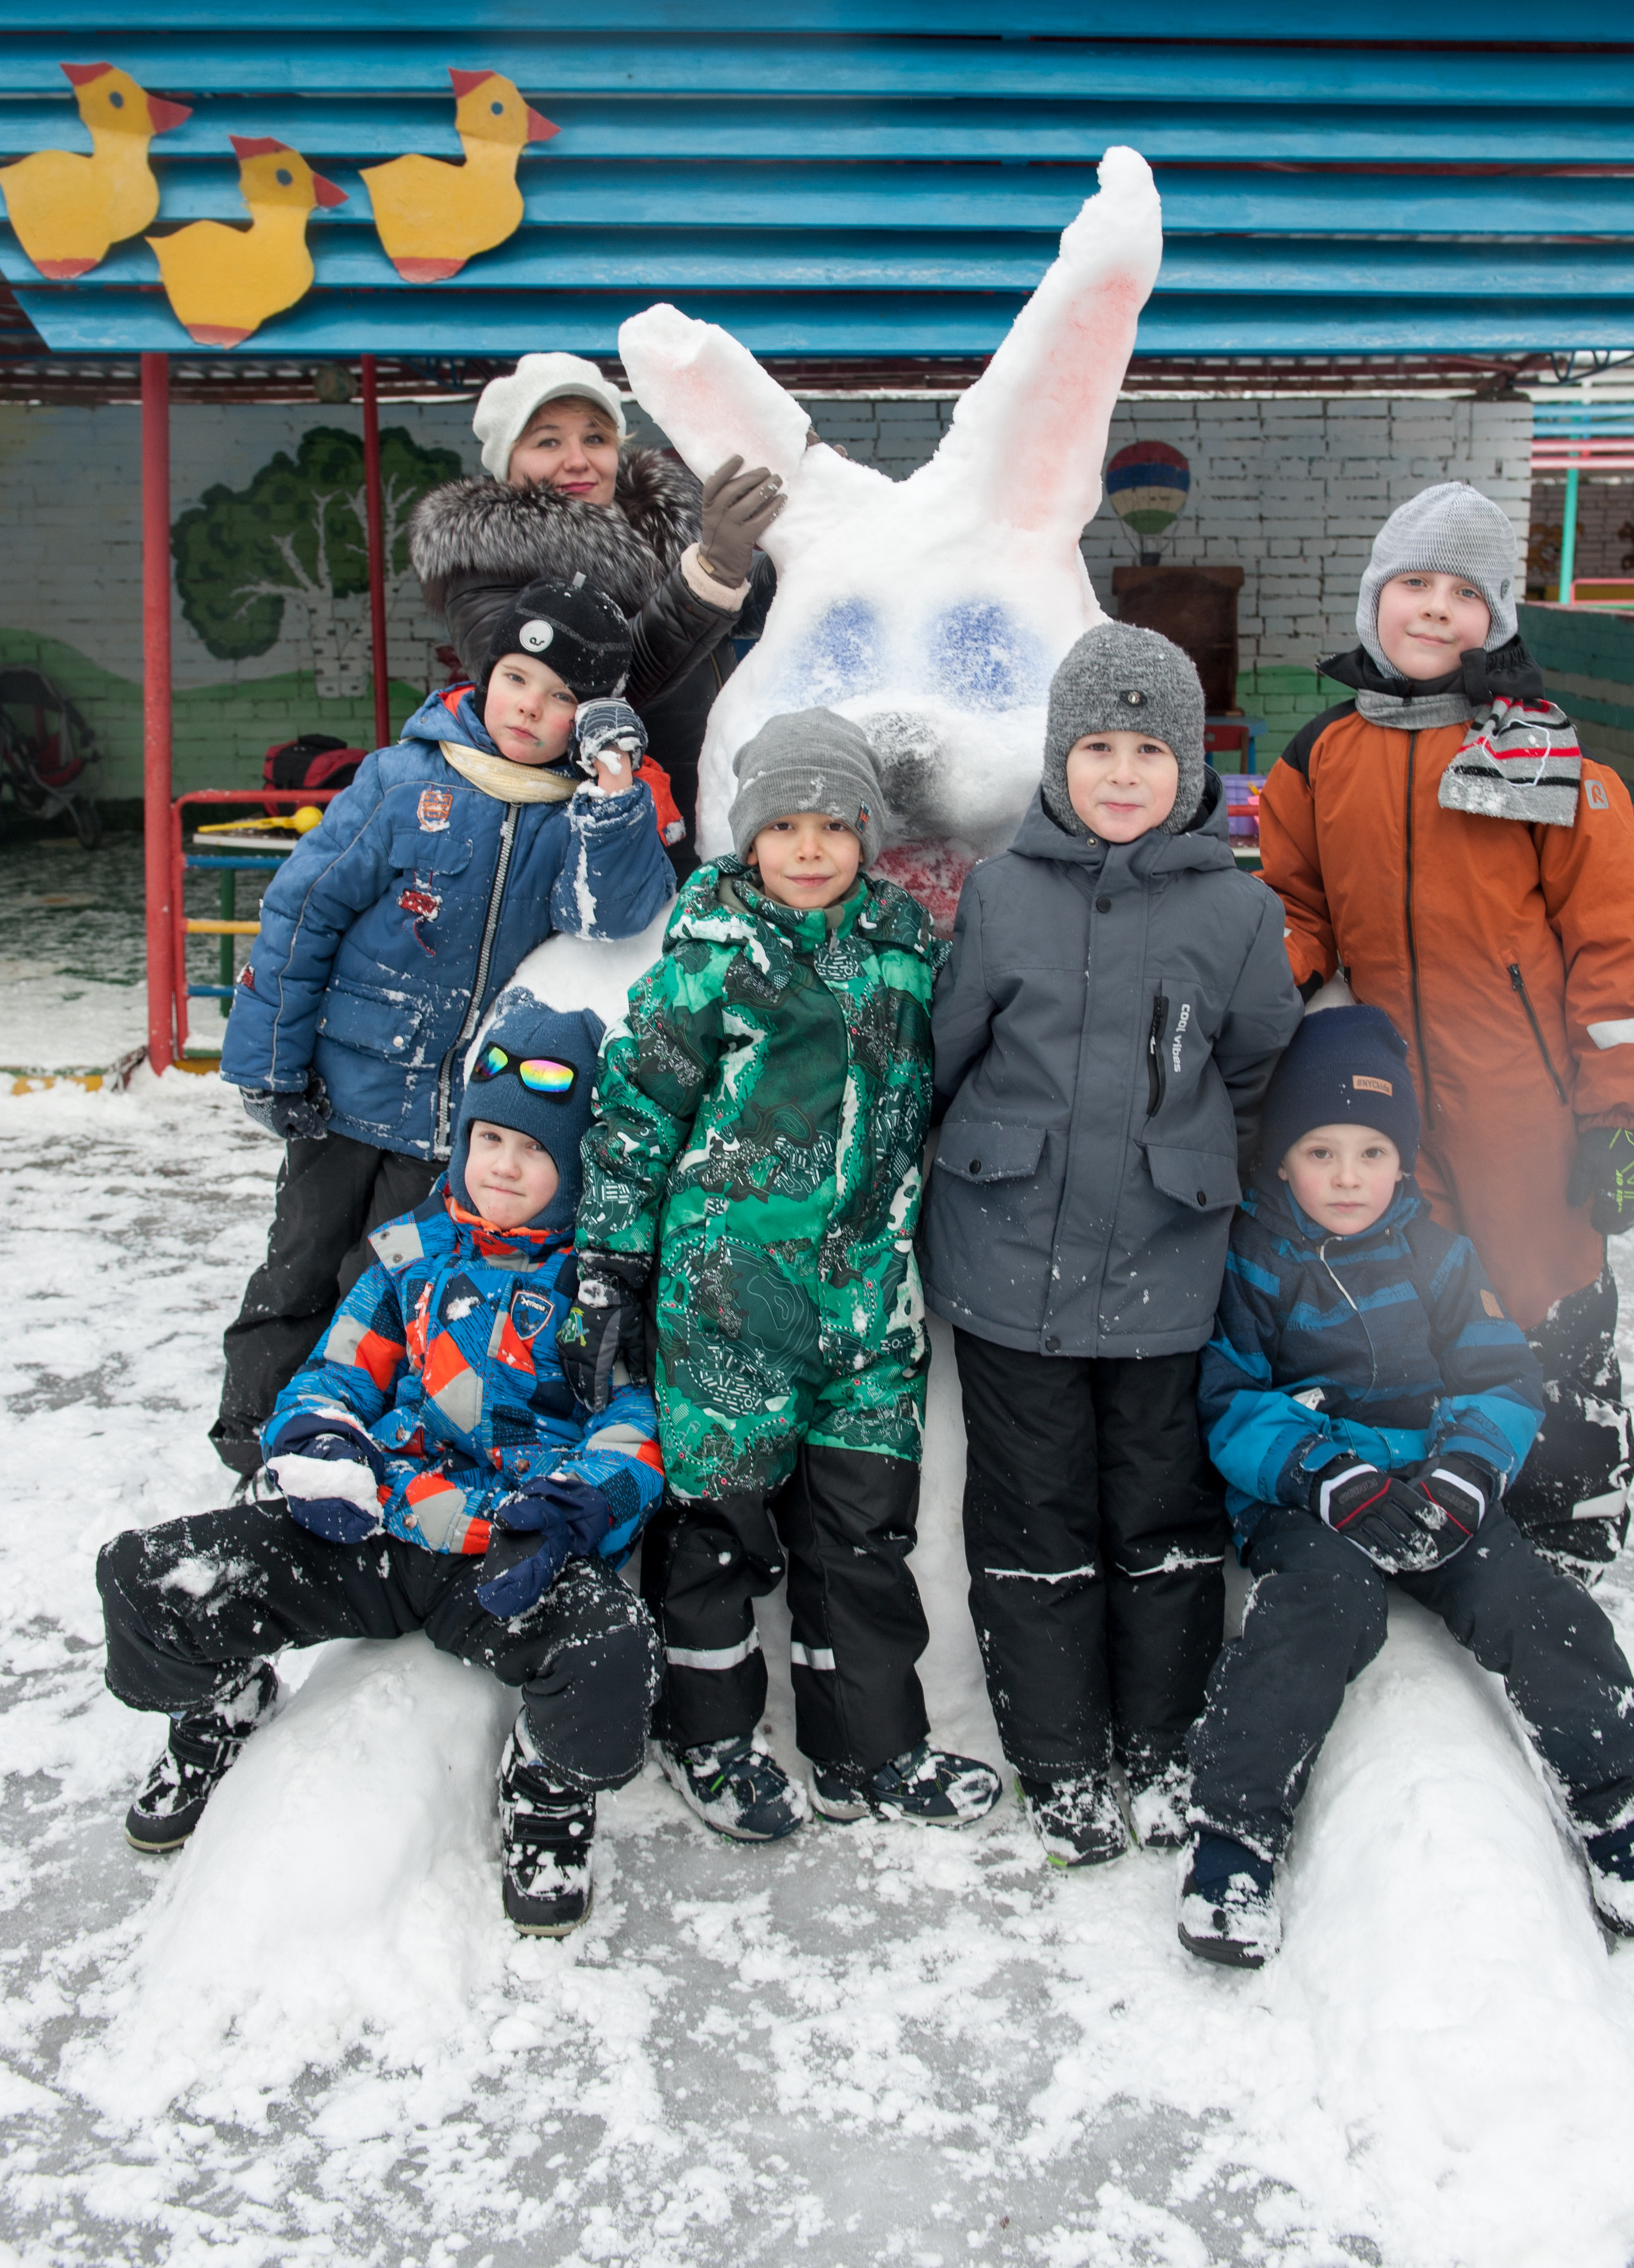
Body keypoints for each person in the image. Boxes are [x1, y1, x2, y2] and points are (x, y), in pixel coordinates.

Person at [98, 989, 666, 1935]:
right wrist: (323, 1446)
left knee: (612, 1648)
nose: (507, 1166)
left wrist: (572, 1508)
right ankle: (217, 1701)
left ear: (572, 1162)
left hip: (501, 1544)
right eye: (491, 1141)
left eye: (534, 1148)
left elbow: (634, 1422)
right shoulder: (406, 1258)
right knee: (149, 1574)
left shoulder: (593, 1287)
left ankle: (548, 1788)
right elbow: (332, 1374)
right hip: (375, 1521)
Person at [1176, 999, 1634, 1968]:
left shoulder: (1440, 1254)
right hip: (1314, 1500)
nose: (1346, 1176)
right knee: (1313, 1615)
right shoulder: (1255, 1258)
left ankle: (1615, 1797)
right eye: (1320, 1151)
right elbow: (1232, 1396)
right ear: (1282, 1157)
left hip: (1432, 1484)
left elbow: (1501, 1375)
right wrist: (1326, 1474)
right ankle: (1235, 1835)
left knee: (1531, 1600)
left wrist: (1461, 1475)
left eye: (1371, 1152)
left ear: (1402, 1159)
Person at [565, 707, 1003, 1842]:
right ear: (747, 835)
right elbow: (639, 1103)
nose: (809, 848)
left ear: (866, 831)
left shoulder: (909, 949)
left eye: (832, 824)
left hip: (867, 1306)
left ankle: (868, 1743)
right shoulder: (708, 954)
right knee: (717, 1531)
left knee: (861, 1537)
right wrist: (611, 1251)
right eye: (784, 824)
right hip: (725, 1303)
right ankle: (706, 1733)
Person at [918, 624, 1303, 1870]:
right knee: (1032, 1516)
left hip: (1165, 1269)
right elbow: (949, 1052)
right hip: (1004, 1256)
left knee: (1160, 1514)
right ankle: (1060, 1755)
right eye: (1098, 747)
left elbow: (1251, 1072)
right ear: (1056, 761)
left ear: (1189, 768)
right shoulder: (1001, 891)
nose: (1124, 773)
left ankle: (1158, 1743)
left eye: (1151, 749)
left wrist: (1192, 1170)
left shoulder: (1240, 913)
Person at [1259, 482, 1634, 1577]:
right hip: (1390, 1099)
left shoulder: (1545, 757)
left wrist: (1622, 1110)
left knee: (1545, 1286)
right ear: (1373, 600)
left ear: (1500, 618)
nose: (1436, 610)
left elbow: (1615, 946)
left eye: (1465, 593)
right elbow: (1295, 904)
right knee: (1427, 1297)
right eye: (1413, 585)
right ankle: (1449, 1501)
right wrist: (1276, 992)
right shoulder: (1319, 757)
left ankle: (1576, 1508)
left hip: (1523, 1101)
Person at [212, 576, 675, 1481]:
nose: (530, 708)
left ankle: (347, 1438)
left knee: (385, 1279)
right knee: (299, 1262)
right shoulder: (400, 781)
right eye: (516, 680)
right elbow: (303, 913)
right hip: (343, 1096)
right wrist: (269, 1061)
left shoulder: (576, 811)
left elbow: (616, 911)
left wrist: (615, 785)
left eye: (560, 698)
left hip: (457, 1123)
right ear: (482, 675)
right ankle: (251, 1424)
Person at [409, 351, 780, 854]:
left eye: (595, 438)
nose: (578, 459)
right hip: (600, 842)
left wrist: (804, 526)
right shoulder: (481, 563)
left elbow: (739, 607)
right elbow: (588, 689)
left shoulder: (658, 529)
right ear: (507, 460)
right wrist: (709, 576)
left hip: (711, 812)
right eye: (548, 441)